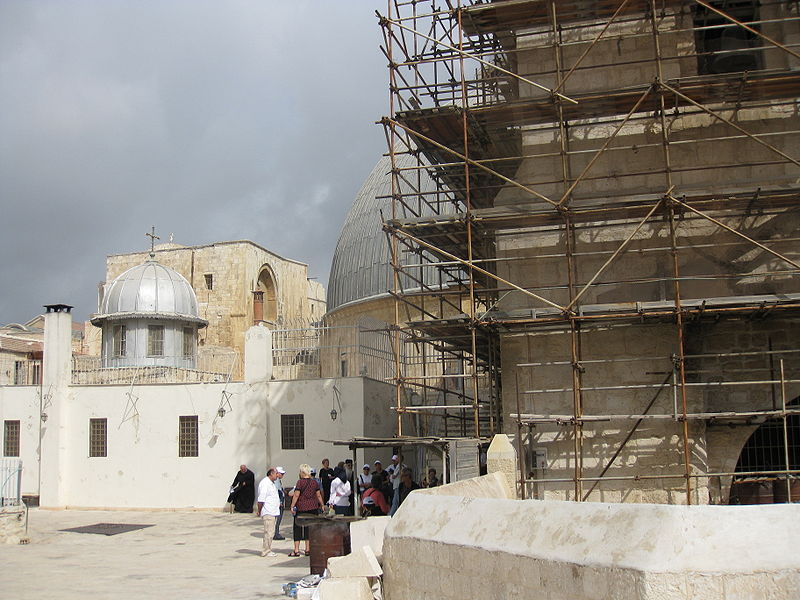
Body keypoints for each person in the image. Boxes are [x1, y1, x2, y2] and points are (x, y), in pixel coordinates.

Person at [289, 463, 324, 557]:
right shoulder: (314, 482)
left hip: (301, 507)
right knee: (309, 528)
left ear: (302, 472)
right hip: (313, 508)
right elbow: (318, 495)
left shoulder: (300, 482)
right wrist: (322, 504)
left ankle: (296, 550)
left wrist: (292, 506)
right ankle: (308, 549)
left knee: (298, 528)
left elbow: (296, 495)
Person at [256, 468, 281, 557]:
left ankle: (268, 549)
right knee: (269, 532)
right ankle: (266, 550)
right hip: (268, 511)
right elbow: (261, 499)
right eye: (276, 473)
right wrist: (259, 510)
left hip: (273, 511)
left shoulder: (272, 483)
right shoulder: (265, 483)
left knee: (271, 532)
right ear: (271, 474)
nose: (277, 475)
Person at [273, 466, 286, 540]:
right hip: (278, 503)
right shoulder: (276, 481)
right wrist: (280, 501)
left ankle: (276, 532)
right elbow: (278, 492)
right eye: (281, 473)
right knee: (278, 518)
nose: (282, 475)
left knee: (277, 519)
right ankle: (276, 533)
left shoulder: (278, 480)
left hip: (278, 501)